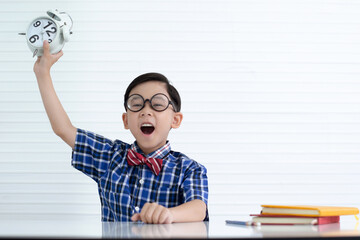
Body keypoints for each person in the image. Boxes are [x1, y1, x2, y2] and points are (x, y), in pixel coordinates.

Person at [33, 41, 209, 223]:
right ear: (126, 120)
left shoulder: (190, 169)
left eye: (157, 104)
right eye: (136, 104)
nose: (146, 111)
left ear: (176, 119)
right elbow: (63, 129)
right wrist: (43, 74)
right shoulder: (110, 156)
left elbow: (198, 209)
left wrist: (169, 214)